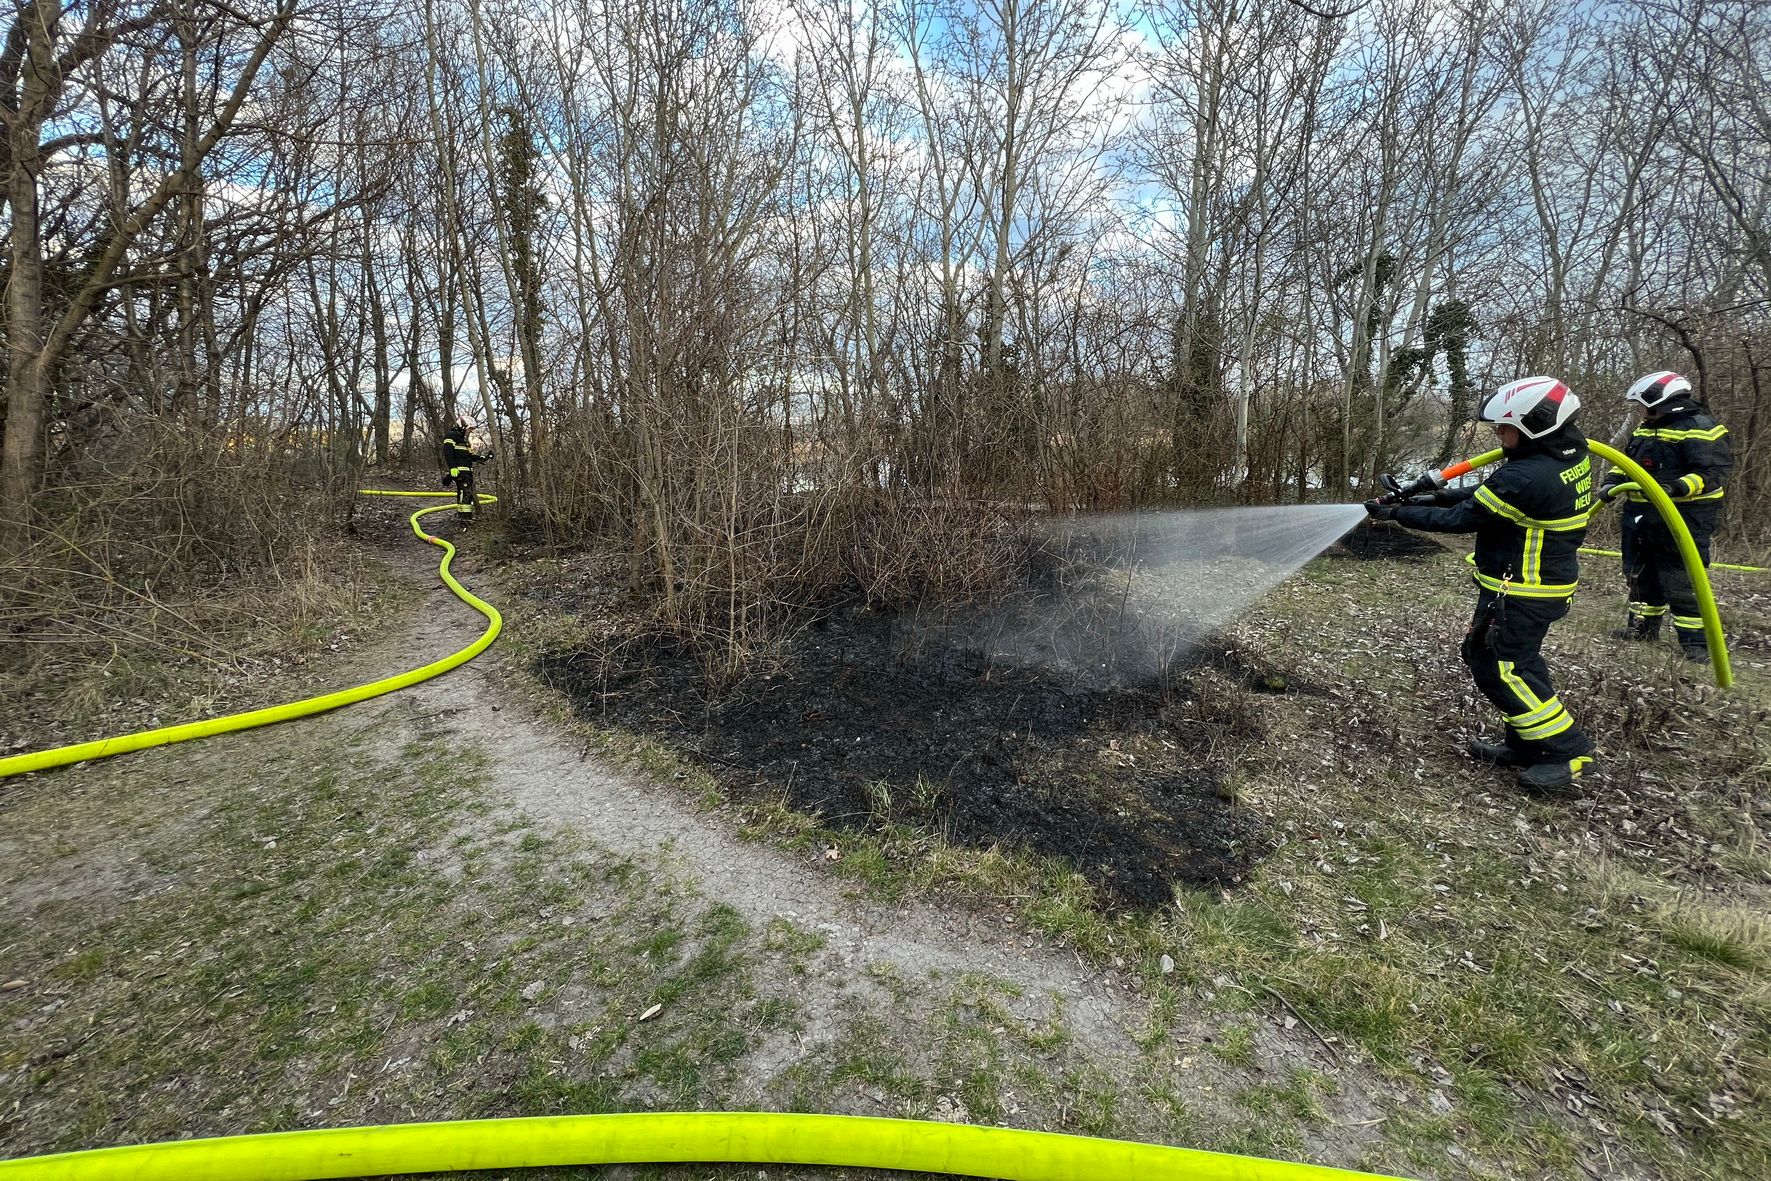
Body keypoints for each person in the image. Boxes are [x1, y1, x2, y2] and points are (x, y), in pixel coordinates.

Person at [1365, 377, 1596, 795]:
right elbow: (1487, 493)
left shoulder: (1529, 475)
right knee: (1504, 661)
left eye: (1506, 427)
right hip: (1532, 586)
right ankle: (1527, 743)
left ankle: (1567, 752)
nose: (1499, 433)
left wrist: (1398, 514)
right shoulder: (1561, 454)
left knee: (1502, 667)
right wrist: (1431, 498)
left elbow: (1464, 518)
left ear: (1536, 424)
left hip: (1524, 592)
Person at [1597, 371, 1731, 662]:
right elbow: (1628, 462)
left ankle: (1696, 644)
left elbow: (1712, 472)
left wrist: (1676, 488)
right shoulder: (1647, 428)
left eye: (1643, 405)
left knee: (1681, 577)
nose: (1640, 411)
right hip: (1641, 514)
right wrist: (1612, 481)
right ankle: (1642, 629)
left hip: (1684, 516)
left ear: (1664, 402)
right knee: (1639, 572)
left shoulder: (1702, 429)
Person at [441, 420, 492, 519]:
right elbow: (448, 452)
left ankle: (464, 517)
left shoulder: (462, 440)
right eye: (470, 428)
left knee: (466, 494)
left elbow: (468, 456)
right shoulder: (451, 436)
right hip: (460, 472)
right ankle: (464, 519)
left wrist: (483, 458)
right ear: (463, 426)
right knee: (465, 494)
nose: (471, 431)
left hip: (467, 472)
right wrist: (452, 467)